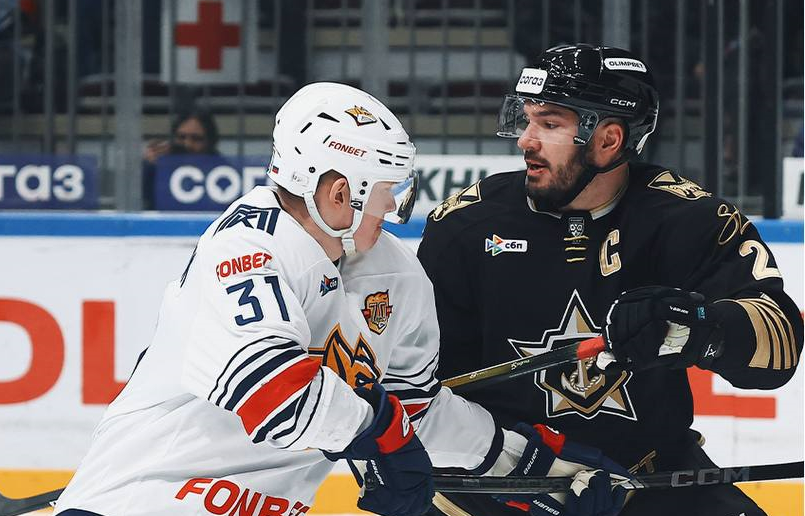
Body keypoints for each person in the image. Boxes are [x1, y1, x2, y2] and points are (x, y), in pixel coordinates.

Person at [53, 81, 624, 516]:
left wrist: (530, 464)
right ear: (337, 192)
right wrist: (384, 433)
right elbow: (271, 390)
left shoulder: (395, 273)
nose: (394, 207)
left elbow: (415, 411)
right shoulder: (247, 245)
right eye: (386, 191)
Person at [417, 43, 803, 516]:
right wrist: (513, 473)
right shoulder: (466, 225)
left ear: (607, 140)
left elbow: (779, 345)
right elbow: (415, 383)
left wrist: (697, 328)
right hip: (497, 482)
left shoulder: (688, 219)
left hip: (648, 479)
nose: (526, 141)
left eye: (549, 124)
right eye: (527, 119)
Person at [142, 108, 220, 208]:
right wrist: (149, 166)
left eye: (196, 139)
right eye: (181, 137)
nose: (187, 144)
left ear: (210, 141)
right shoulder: (160, 169)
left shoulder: (223, 172)